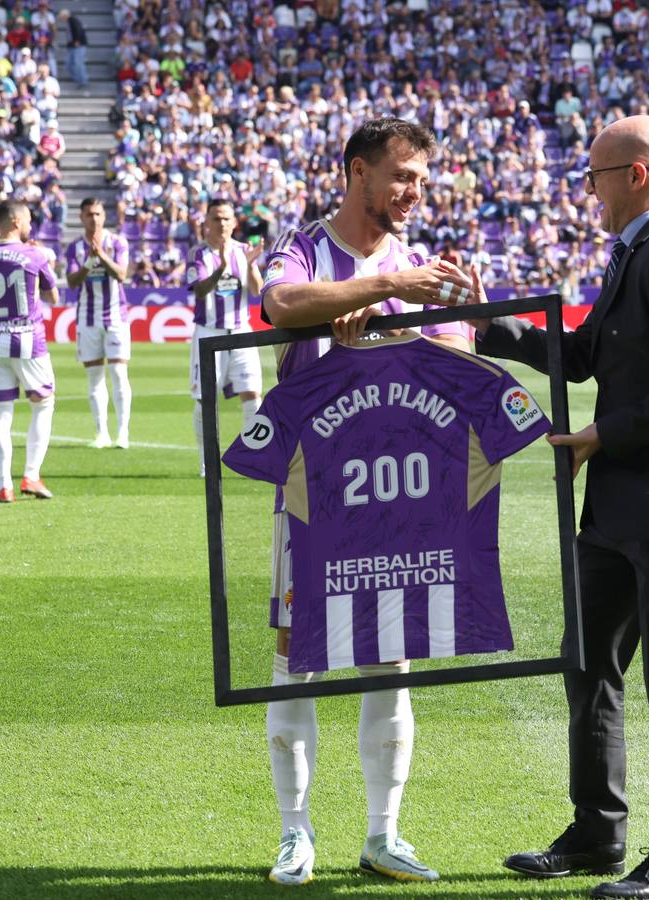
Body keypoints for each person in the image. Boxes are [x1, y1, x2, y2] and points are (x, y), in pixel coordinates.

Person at [481, 116, 649, 900]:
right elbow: (584, 356)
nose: (587, 191)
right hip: (620, 507)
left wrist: (603, 434)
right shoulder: (635, 252)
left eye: (594, 176)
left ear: (636, 174)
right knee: (587, 662)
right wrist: (486, 322)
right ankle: (598, 831)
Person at [253, 117, 476, 887]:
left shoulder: (420, 263)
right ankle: (295, 833)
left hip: (398, 486)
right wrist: (383, 292)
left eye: (421, 179)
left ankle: (384, 834)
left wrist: (398, 331)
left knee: (393, 657)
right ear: (357, 172)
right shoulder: (306, 248)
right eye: (402, 176)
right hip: (314, 486)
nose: (414, 192)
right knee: (297, 655)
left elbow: (460, 355)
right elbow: (282, 304)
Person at [0, 200, 60, 503]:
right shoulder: (35, 254)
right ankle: (31, 475)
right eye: (27, 221)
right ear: (15, 221)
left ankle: (4, 485)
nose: (30, 226)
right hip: (28, 338)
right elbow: (53, 296)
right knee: (44, 403)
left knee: (1, 412)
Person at [187, 198, 263, 476]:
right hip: (209, 333)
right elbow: (199, 290)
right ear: (206, 223)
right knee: (205, 399)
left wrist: (251, 265)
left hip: (241, 331)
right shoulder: (199, 254)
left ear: (234, 223)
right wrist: (220, 268)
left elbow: (257, 291)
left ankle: (252, 460)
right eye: (216, 218)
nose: (221, 224)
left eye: (226, 218)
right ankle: (207, 462)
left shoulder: (244, 251)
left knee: (252, 394)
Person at [64, 197, 132, 449]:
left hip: (116, 317)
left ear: (104, 216)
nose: (94, 219)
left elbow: (122, 274)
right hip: (87, 318)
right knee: (94, 377)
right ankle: (101, 433)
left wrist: (101, 256)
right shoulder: (75, 247)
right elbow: (72, 282)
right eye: (89, 214)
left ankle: (123, 433)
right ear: (81, 217)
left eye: (98, 214)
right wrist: (88, 263)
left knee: (118, 373)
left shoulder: (117, 242)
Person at [60, 9, 87, 86]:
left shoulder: (73, 20)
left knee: (79, 63)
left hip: (78, 46)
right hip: (71, 46)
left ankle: (83, 81)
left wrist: (77, 40)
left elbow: (78, 30)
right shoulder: (68, 22)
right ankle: (77, 78)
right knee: (68, 63)